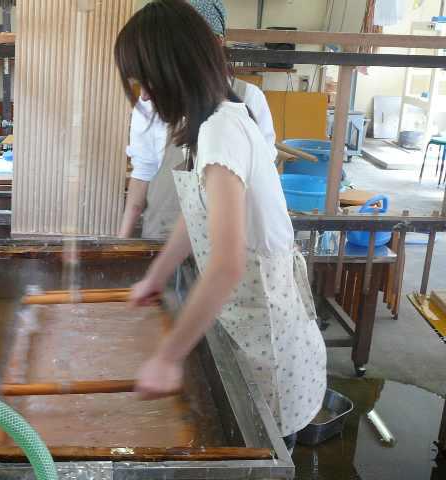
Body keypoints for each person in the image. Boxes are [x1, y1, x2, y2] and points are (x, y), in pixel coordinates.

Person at [114, 0, 326, 448]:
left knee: (265, 447)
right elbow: (198, 216)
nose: (144, 95)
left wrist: (167, 358)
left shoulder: (221, 131)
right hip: (247, 320)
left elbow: (227, 265)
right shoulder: (213, 120)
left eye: (145, 80)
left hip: (267, 329)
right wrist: (156, 276)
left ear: (174, 69)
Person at [118, 0, 277, 240]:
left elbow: (251, 193)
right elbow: (146, 176)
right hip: (162, 236)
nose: (145, 95)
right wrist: (120, 246)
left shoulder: (225, 122)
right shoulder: (164, 104)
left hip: (224, 246)